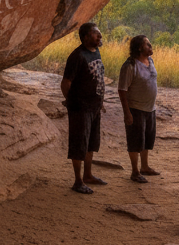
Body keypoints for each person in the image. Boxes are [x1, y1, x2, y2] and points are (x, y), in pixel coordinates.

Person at [61, 23, 107, 194]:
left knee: (90, 143)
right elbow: (65, 83)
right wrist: (72, 103)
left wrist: (99, 101)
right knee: (79, 143)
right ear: (86, 36)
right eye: (96, 34)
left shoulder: (95, 52)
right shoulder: (77, 56)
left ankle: (88, 175)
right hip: (81, 108)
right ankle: (78, 181)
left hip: (94, 107)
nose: (100, 37)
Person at [117, 35, 160, 183]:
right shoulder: (130, 65)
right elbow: (122, 90)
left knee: (147, 139)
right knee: (135, 141)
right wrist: (127, 112)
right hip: (136, 108)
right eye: (148, 44)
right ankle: (135, 171)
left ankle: (145, 167)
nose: (150, 46)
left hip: (150, 109)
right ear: (140, 47)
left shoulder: (150, 61)